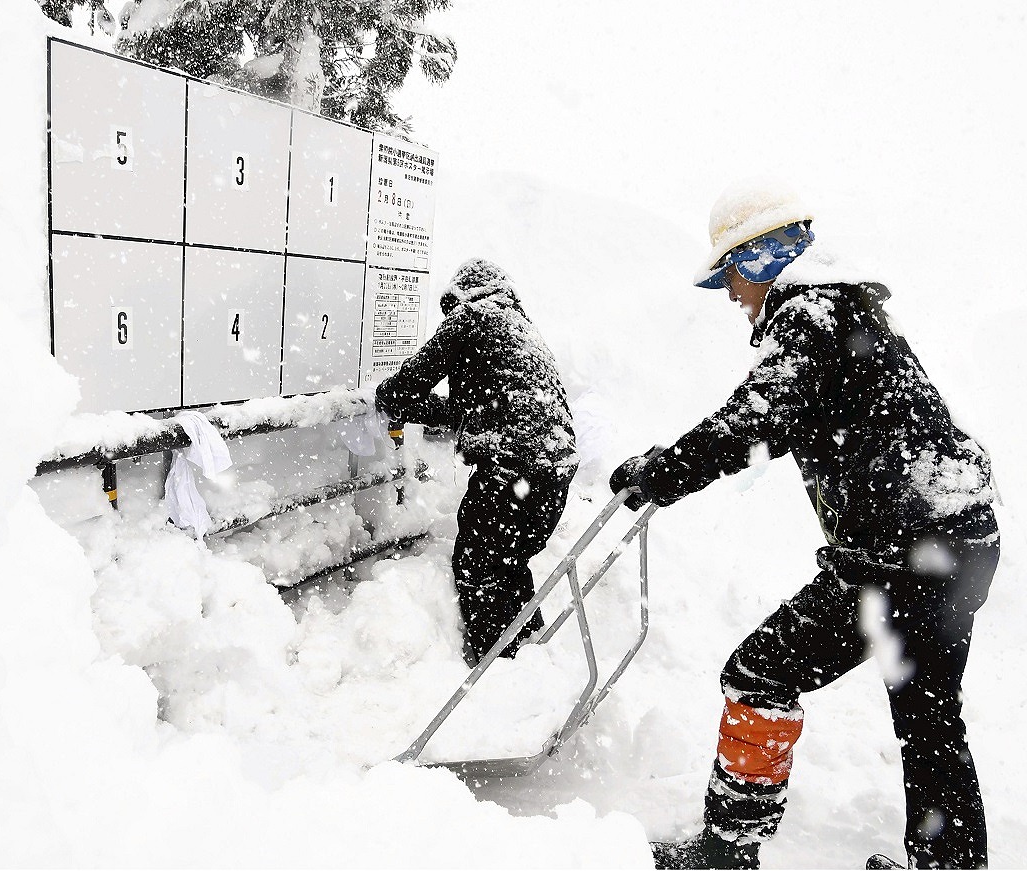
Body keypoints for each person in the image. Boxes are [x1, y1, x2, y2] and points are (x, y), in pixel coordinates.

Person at [610, 181, 999, 870]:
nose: (733, 295)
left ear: (759, 259)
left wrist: (660, 473)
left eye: (732, 275)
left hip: (901, 554)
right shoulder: (848, 312)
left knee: (758, 673)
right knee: (930, 717)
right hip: (958, 539)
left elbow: (756, 421)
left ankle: (729, 850)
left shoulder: (811, 313)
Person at [376, 258, 579, 667]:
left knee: (479, 567)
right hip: (555, 473)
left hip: (511, 470)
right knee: (509, 564)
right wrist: (422, 410)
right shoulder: (522, 332)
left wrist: (387, 399)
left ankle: (498, 674)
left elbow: (404, 386)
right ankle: (533, 659)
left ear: (461, 296)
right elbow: (473, 411)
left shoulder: (470, 318)